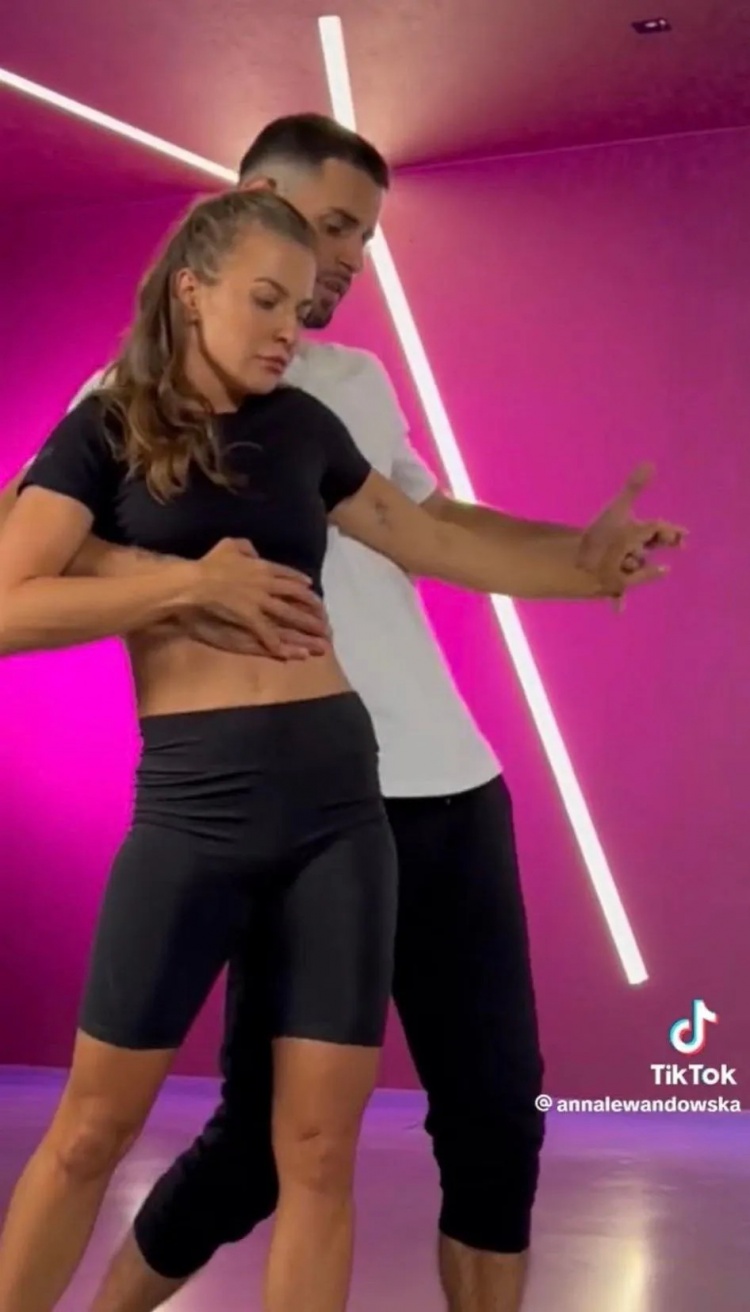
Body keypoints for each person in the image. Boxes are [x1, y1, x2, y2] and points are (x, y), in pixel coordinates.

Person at [0, 131, 680, 1312]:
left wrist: (582, 558)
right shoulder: (107, 416)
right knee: (164, 1136)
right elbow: (25, 582)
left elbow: (432, 531)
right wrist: (182, 586)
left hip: (381, 796)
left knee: (395, 1136)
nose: (337, 271)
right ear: (210, 266)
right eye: (321, 239)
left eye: (354, 246)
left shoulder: (328, 405)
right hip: (216, 799)